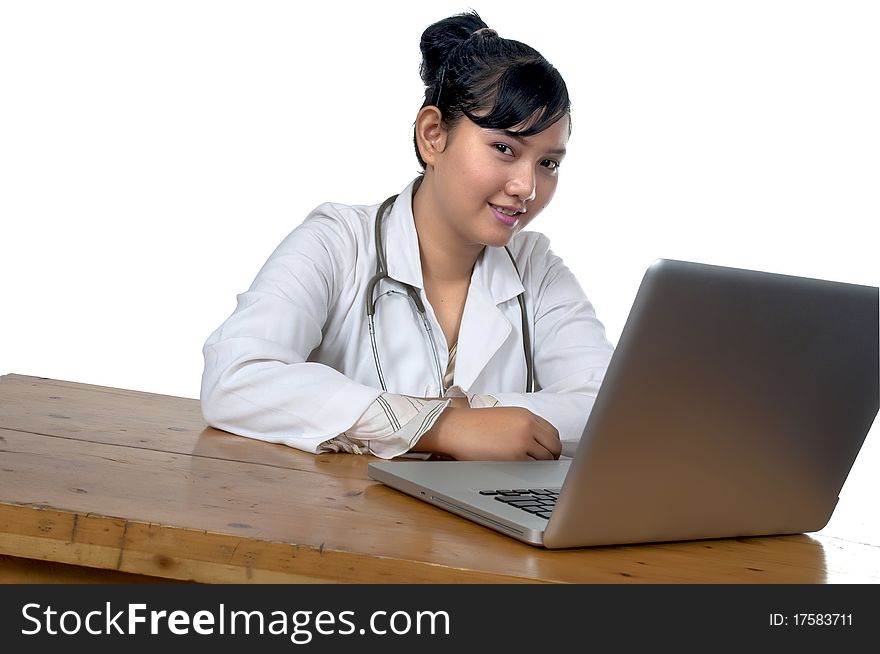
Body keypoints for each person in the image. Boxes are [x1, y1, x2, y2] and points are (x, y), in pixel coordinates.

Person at [200, 11, 614, 461]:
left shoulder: (536, 268)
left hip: (474, 528)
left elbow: (611, 407)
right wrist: (440, 425)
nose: (526, 188)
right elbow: (235, 377)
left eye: (548, 163)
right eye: (504, 149)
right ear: (433, 135)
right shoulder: (337, 242)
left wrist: (484, 414)